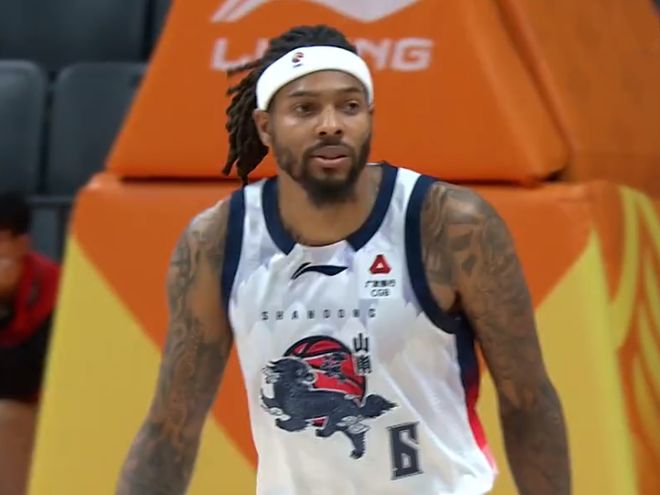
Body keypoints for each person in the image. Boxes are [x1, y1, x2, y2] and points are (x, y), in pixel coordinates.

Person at [116, 24, 570, 495]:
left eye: (349, 106)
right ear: (265, 127)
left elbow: (528, 399)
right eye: (305, 109)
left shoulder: (450, 225)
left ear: (369, 117)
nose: (330, 124)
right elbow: (171, 427)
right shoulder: (217, 241)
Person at [0, 191, 60, 495]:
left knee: (5, 418)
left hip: (37, 406)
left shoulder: (53, 285)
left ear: (22, 244)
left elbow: (25, 376)